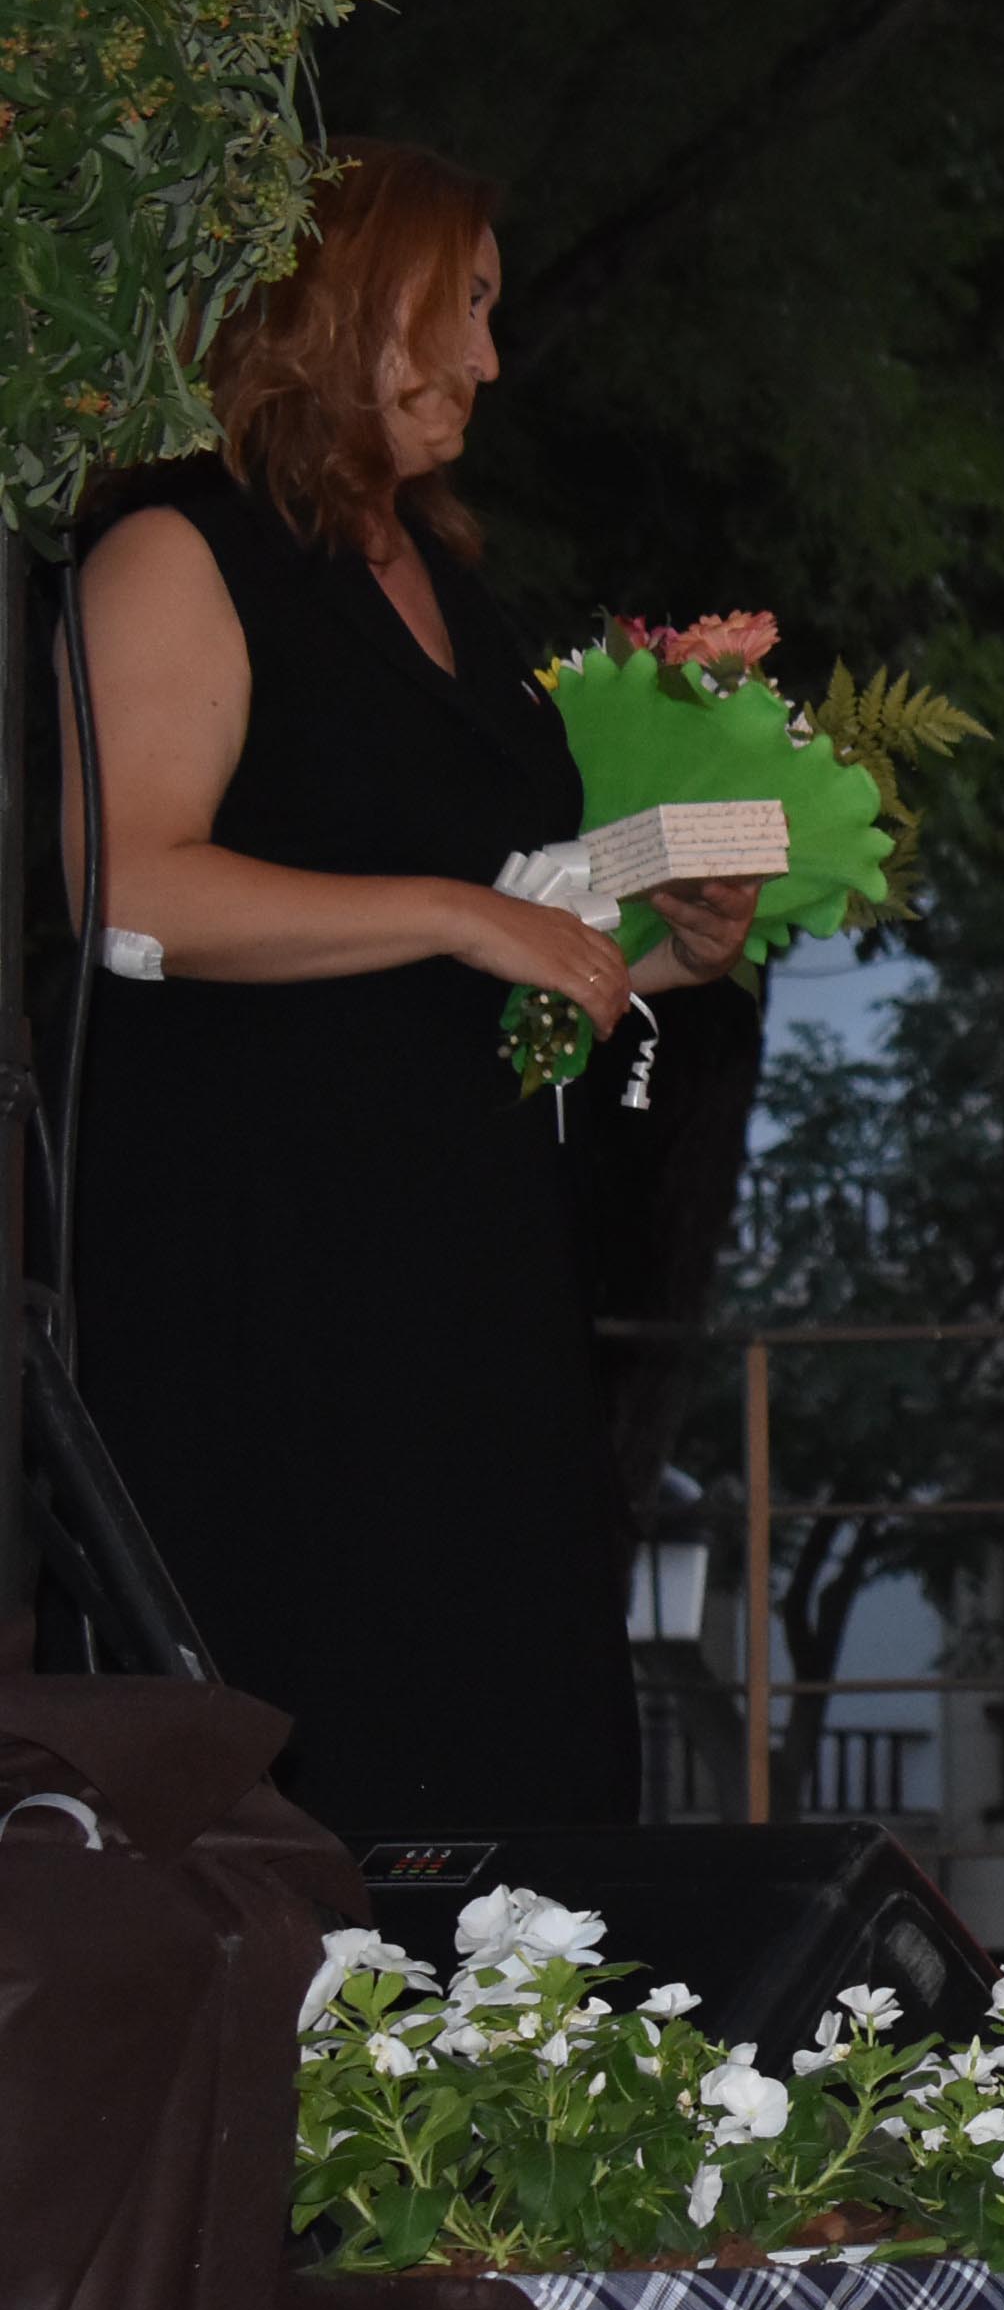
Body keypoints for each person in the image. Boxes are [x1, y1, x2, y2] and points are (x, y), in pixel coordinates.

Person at [59, 143, 763, 1838]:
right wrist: (458, 914)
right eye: (468, 309)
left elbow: (513, 920)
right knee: (321, 1742)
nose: (490, 361)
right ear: (350, 302)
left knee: (509, 1738)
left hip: (462, 1274)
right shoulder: (181, 546)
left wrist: (656, 941)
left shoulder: (446, 578)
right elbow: (124, 887)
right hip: (259, 1284)